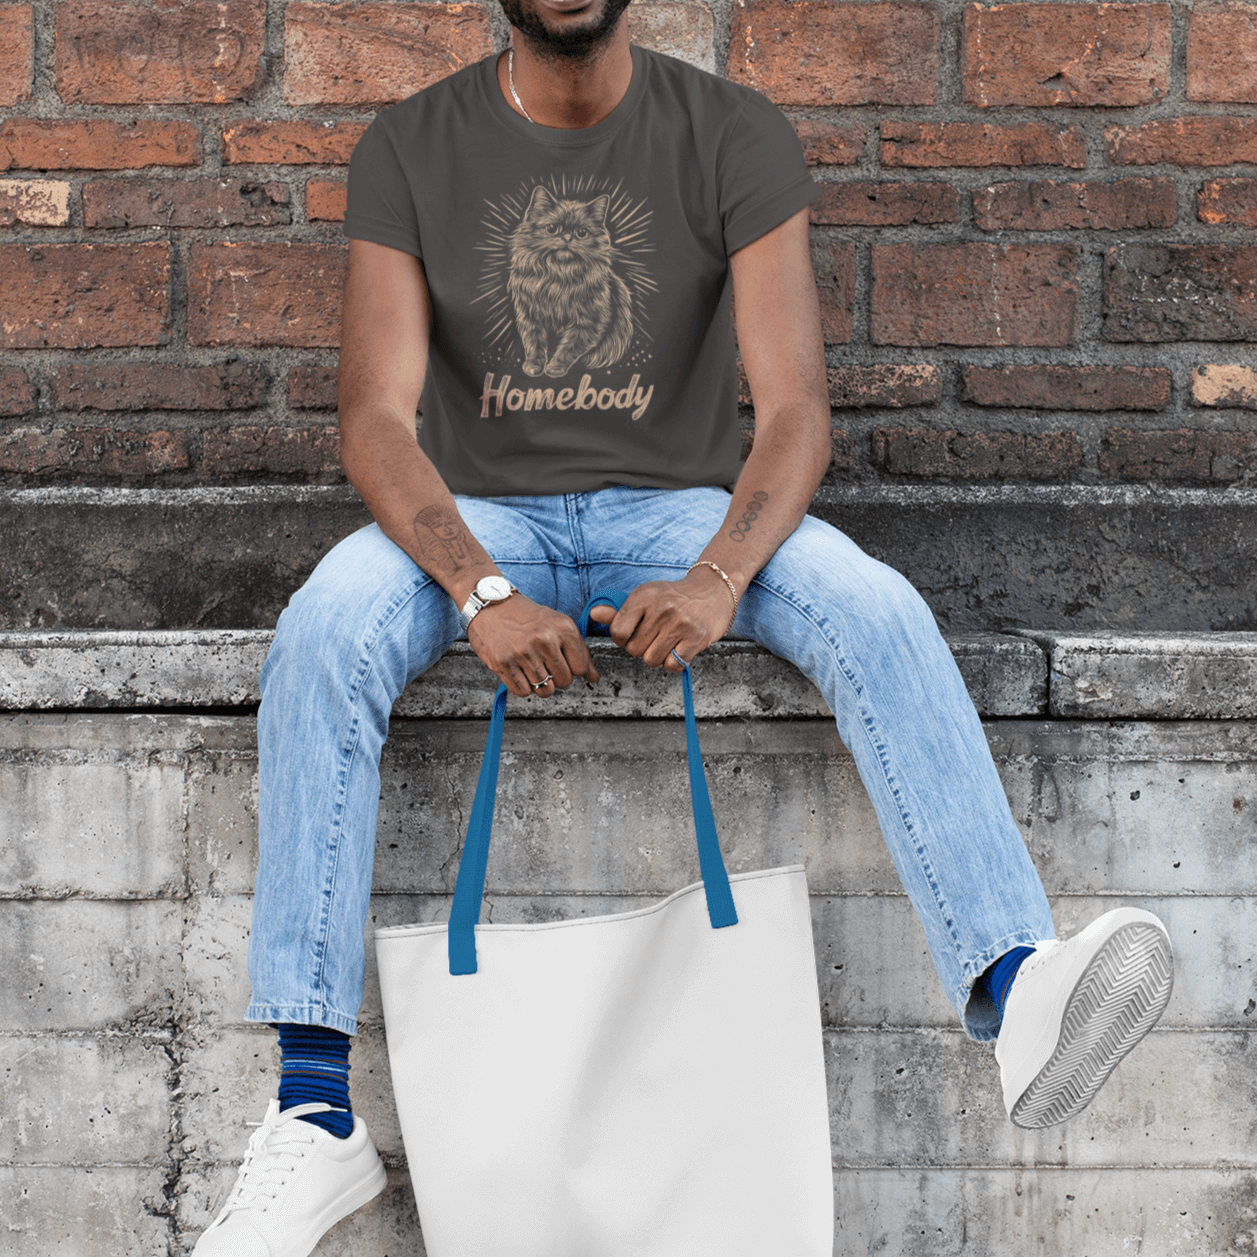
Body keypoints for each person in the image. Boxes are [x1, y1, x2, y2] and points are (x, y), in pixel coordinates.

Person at [191, 0, 1175, 1251]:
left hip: (679, 516)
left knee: (873, 605)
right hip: (483, 514)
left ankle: (1012, 978)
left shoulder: (731, 134)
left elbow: (797, 409)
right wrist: (479, 592)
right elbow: (378, 419)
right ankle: (315, 1109)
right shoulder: (408, 146)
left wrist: (717, 575)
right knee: (324, 627)